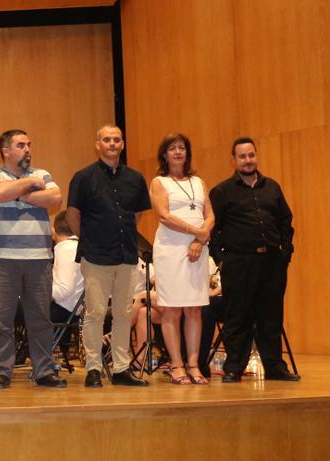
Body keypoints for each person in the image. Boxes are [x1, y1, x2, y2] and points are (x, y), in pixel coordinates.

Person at [0, 130, 68, 390]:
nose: (27, 149)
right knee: (1, 319)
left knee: (40, 317)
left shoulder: (42, 174)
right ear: (6, 150)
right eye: (21, 145)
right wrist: (29, 189)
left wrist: (17, 193)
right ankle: (2, 371)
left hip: (38, 258)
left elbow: (55, 198)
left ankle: (43, 371)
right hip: (0, 259)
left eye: (29, 144)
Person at [66, 124, 152, 388]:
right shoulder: (83, 177)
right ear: (98, 144)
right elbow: (72, 215)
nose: (112, 144)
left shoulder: (135, 178)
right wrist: (91, 240)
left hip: (126, 254)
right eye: (107, 140)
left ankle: (121, 368)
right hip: (95, 255)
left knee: (125, 313)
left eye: (117, 140)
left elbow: (136, 215)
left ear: (122, 145)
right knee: (96, 312)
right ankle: (93, 368)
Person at [209, 137, 299, 382]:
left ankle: (274, 367)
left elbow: (285, 222)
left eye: (251, 155)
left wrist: (285, 253)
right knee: (238, 316)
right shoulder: (222, 191)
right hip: (238, 263)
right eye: (242, 156)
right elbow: (211, 229)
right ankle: (234, 368)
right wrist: (221, 260)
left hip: (271, 262)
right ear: (234, 159)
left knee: (271, 315)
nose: (248, 161)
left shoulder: (272, 187)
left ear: (256, 156)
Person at [149, 133, 215, 385]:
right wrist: (195, 232)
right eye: (172, 148)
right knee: (172, 309)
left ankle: (194, 365)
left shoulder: (198, 182)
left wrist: (200, 239)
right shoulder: (159, 182)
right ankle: (176, 365)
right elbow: (164, 216)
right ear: (164, 154)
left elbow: (209, 215)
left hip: (198, 248)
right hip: (171, 249)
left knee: (195, 308)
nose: (178, 152)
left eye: (182, 148)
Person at [50, 212, 84, 366]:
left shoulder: (66, 248)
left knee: (2, 310)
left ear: (53, 230)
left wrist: (35, 291)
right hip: (73, 309)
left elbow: (63, 291)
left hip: (63, 310)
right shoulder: (78, 246)